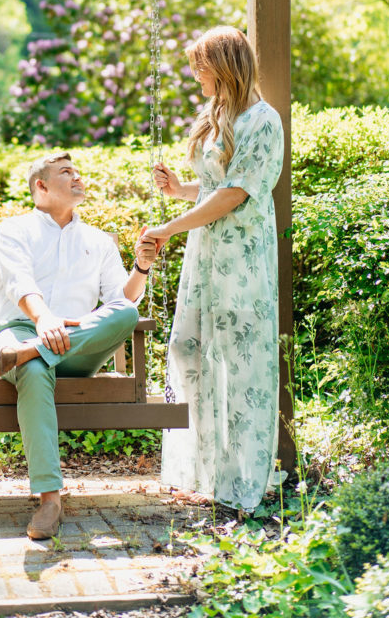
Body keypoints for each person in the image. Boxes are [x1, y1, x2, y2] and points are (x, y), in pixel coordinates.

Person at [142, 25, 284, 512]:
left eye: (200, 65)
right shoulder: (217, 116)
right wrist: (178, 190)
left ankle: (242, 482)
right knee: (190, 350)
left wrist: (169, 227)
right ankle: (207, 469)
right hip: (205, 259)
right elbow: (211, 189)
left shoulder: (263, 121)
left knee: (239, 366)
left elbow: (234, 195)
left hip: (241, 262)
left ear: (224, 65)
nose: (194, 74)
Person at [0, 151, 156, 540]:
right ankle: (50, 500)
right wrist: (44, 321)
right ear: (40, 187)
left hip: (76, 346)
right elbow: (19, 284)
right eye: (66, 173)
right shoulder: (15, 230)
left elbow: (120, 300)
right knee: (31, 368)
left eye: (78, 173)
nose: (78, 179)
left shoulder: (98, 240)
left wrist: (141, 268)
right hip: (19, 331)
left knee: (126, 314)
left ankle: (31, 353)